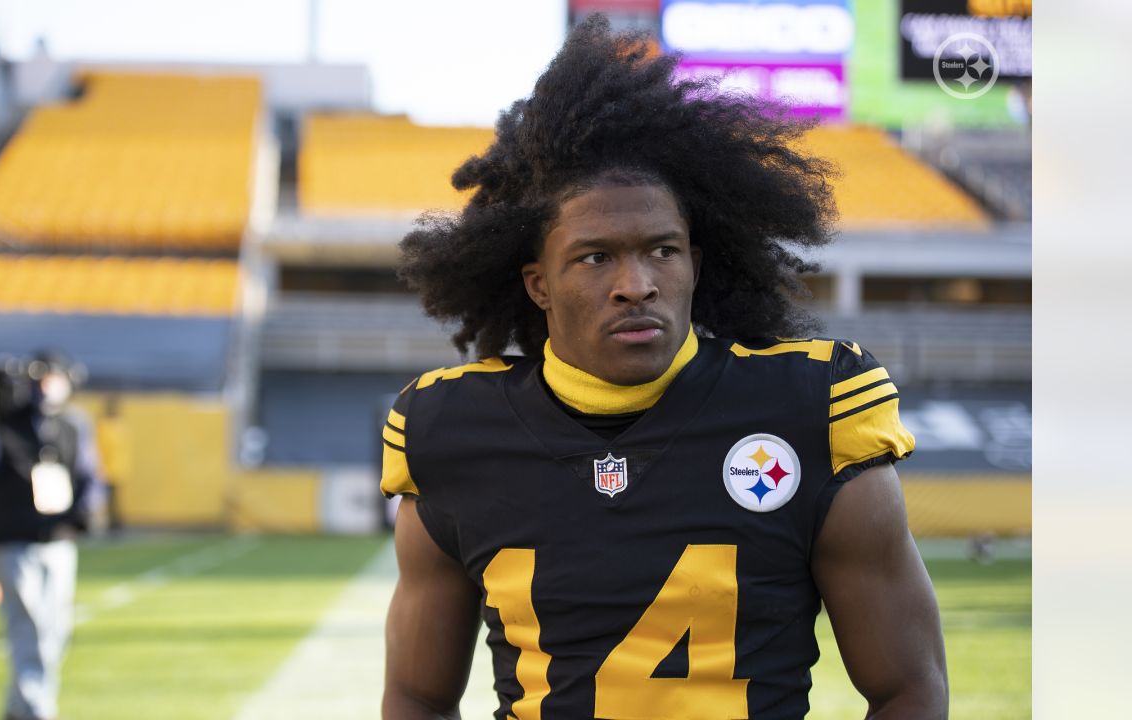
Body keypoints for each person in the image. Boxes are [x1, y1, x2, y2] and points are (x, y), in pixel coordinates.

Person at [380, 16, 947, 720]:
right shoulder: (453, 432)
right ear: (538, 284)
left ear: (695, 264)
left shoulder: (809, 410)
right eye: (596, 258)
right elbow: (416, 697)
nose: (636, 284)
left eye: (662, 250)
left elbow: (908, 688)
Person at [0, 349, 102, 720]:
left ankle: (18, 708)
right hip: (14, 538)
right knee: (29, 627)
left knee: (55, 630)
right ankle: (36, 710)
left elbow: (89, 474)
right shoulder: (6, 423)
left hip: (59, 541)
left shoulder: (73, 425)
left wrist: (84, 513)